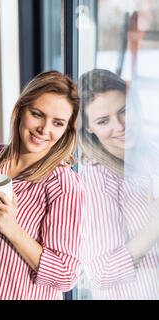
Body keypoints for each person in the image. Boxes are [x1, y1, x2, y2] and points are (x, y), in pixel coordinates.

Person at [0, 70, 84, 300]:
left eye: (58, 123)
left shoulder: (62, 185)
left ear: (67, 130)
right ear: (21, 110)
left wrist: (11, 228)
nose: (44, 129)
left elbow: (65, 275)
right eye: (37, 114)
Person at [78, 69, 158, 299]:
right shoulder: (95, 181)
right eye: (103, 121)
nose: (121, 125)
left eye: (125, 111)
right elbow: (101, 274)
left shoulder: (149, 152)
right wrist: (155, 227)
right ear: (89, 128)